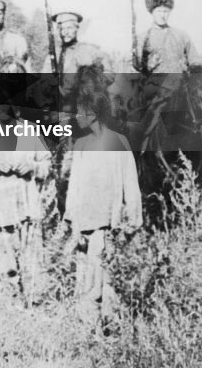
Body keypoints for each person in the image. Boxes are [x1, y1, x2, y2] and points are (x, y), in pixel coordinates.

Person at [64, 67, 142, 323]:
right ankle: (87, 326)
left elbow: (131, 185)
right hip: (85, 224)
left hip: (110, 224)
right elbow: (74, 188)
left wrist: (132, 218)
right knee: (86, 274)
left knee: (108, 275)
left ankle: (112, 325)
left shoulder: (119, 143)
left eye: (79, 111)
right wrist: (72, 222)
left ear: (93, 113)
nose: (75, 116)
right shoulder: (81, 145)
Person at [0, 134, 50, 296]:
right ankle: (12, 309)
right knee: (6, 269)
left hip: (28, 209)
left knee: (33, 266)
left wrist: (31, 167)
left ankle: (37, 307)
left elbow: (47, 165)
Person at [137, 0, 202, 150]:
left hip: (182, 88)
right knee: (144, 126)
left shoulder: (181, 35)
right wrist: (148, 66)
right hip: (155, 91)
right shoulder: (143, 38)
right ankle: (140, 156)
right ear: (152, 12)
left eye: (166, 11)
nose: (163, 15)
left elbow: (195, 61)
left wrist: (192, 69)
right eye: (159, 11)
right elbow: (136, 68)